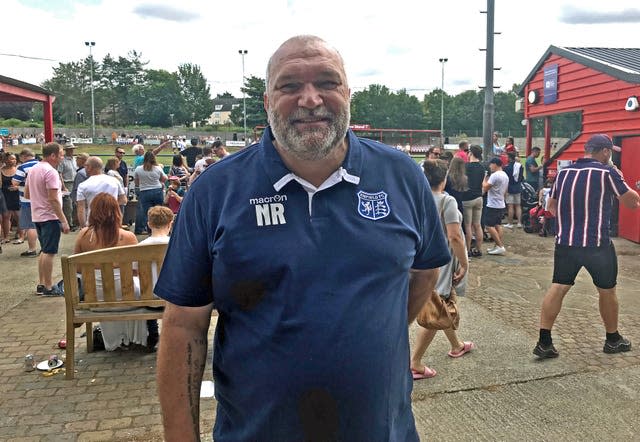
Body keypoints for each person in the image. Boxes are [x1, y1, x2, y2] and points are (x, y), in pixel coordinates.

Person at [154, 35, 450, 441]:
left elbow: (425, 270)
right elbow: (184, 326)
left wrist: (373, 332)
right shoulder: (215, 191)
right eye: (289, 86)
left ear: (348, 94)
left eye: (326, 83)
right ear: (266, 101)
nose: (310, 99)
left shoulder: (402, 176)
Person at [533, 134, 640, 359]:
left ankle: (544, 342)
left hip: (566, 243)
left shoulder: (563, 173)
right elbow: (631, 203)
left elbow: (551, 207)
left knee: (559, 286)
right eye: (610, 152)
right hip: (596, 245)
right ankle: (612, 339)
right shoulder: (607, 172)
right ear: (605, 152)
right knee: (607, 290)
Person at [411, 160, 473, 380]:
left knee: (444, 301)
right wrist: (464, 263)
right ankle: (415, 362)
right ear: (444, 178)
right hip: (440, 261)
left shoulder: (416, 198)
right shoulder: (447, 201)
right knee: (437, 307)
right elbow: (454, 236)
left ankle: (456, 345)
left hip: (417, 257)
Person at [73, 193, 148, 350]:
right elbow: (136, 270)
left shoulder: (84, 236)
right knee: (132, 285)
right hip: (128, 298)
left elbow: (78, 269)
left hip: (95, 299)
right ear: (116, 212)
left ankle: (114, 342)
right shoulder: (128, 237)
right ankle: (133, 339)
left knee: (109, 285)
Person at [24, 142, 70, 296]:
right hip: (50, 216)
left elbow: (27, 194)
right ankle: (49, 287)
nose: (62, 158)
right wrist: (63, 220)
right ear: (53, 155)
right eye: (61, 154)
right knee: (49, 252)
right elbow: (53, 199)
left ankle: (42, 283)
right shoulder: (51, 172)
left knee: (44, 251)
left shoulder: (33, 169)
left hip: (37, 215)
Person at [76, 156, 127, 227]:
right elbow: (123, 200)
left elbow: (81, 208)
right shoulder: (114, 181)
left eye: (85, 166)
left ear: (89, 167)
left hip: (92, 223)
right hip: (112, 222)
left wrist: (83, 227)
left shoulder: (82, 186)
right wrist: (109, 206)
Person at [12, 148, 39, 258]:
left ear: (23, 156)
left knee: (30, 225)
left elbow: (14, 182)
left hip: (27, 200)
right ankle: (45, 248)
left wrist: (21, 184)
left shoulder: (23, 167)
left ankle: (32, 249)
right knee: (41, 225)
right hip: (42, 200)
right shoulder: (42, 164)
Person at [134, 151, 167, 235]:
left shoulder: (138, 169)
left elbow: (136, 182)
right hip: (157, 191)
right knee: (159, 212)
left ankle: (150, 231)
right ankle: (160, 230)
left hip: (144, 191)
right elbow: (164, 178)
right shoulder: (158, 168)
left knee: (148, 213)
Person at [461, 145, 485, 257]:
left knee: (467, 225)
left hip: (467, 197)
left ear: (470, 153)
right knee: (477, 225)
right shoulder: (482, 167)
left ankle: (468, 249)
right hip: (479, 197)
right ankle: (479, 249)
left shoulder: (466, 166)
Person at [482, 157, 509, 255]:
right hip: (501, 202)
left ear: (495, 164)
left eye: (490, 164)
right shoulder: (505, 175)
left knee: (489, 226)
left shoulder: (495, 175)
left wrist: (484, 179)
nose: (490, 166)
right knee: (498, 225)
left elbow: (485, 187)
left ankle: (500, 246)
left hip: (493, 203)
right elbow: (506, 190)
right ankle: (497, 246)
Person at [1, 153, 20, 244]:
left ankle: (20, 234)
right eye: (11, 159)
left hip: (16, 195)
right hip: (5, 195)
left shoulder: (18, 170)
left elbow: (24, 183)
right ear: (6, 160)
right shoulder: (1, 170)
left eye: (15, 159)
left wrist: (17, 187)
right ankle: (6, 236)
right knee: (6, 216)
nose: (13, 161)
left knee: (18, 216)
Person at [58, 143, 77, 230]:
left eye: (72, 149)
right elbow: (59, 173)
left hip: (75, 182)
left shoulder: (74, 159)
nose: (71, 151)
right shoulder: (62, 160)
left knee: (74, 203)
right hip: (67, 182)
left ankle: (73, 221)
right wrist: (63, 186)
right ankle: (69, 223)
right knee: (68, 205)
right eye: (70, 149)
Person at [503, 151, 524, 228]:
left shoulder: (506, 167)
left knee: (510, 206)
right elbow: (521, 178)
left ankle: (510, 223)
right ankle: (519, 222)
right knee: (518, 205)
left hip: (509, 188)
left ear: (509, 158)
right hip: (518, 187)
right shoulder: (520, 166)